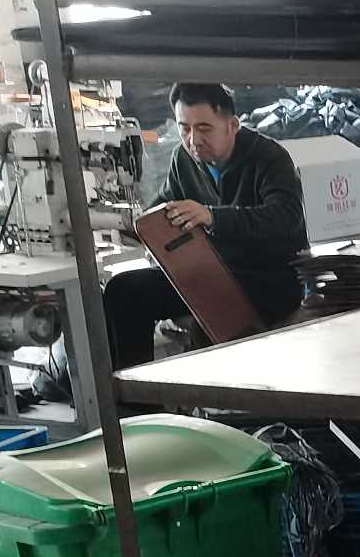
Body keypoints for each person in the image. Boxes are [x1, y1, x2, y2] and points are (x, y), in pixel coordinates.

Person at [104, 83, 308, 368]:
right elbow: (164, 206)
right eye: (184, 128)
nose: (193, 140)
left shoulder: (269, 158)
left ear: (232, 125)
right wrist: (137, 228)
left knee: (209, 320)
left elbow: (286, 218)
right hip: (208, 273)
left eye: (204, 129)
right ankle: (135, 392)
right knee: (123, 292)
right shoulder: (183, 159)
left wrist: (212, 217)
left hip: (267, 278)